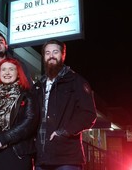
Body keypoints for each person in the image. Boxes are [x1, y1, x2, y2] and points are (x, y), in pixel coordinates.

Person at [33, 39, 97, 170]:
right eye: (47, 52)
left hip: (67, 157)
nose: (51, 55)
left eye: (55, 52)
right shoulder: (38, 86)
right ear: (44, 57)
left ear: (63, 55)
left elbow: (88, 114)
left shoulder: (76, 81)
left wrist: (64, 132)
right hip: (41, 158)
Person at [0, 58, 39, 170]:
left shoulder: (27, 96)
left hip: (17, 152)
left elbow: (30, 121)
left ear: (18, 73)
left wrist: (4, 138)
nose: (7, 73)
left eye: (11, 69)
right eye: (3, 69)